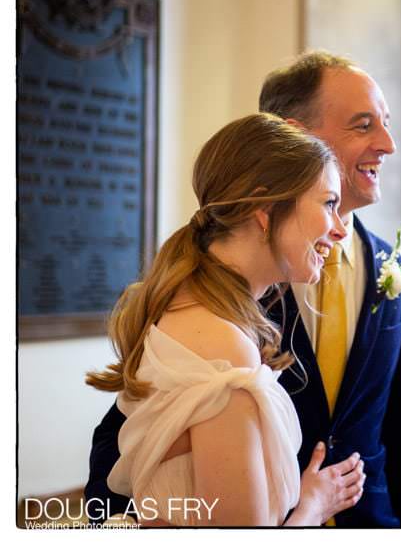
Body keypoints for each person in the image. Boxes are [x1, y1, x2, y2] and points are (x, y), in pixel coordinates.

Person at [86, 51, 401, 527]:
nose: (388, 144)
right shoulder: (225, 296)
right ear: (296, 134)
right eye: (363, 124)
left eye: (387, 123)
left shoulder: (391, 270)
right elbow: (131, 433)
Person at [85, 112, 366, 526]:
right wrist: (311, 507)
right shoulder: (224, 348)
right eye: (328, 203)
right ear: (264, 209)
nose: (340, 229)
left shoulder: (191, 310)